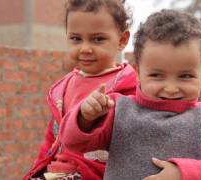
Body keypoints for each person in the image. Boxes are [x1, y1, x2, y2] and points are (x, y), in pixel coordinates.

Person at [60, 9, 201, 180]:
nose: (171, 88)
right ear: (138, 71)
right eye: (157, 75)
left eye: (185, 76)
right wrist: (85, 117)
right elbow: (73, 144)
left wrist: (184, 173)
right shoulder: (118, 109)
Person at [23, 0, 137, 179]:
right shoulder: (63, 89)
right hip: (55, 172)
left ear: (122, 40)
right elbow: (51, 142)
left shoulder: (130, 89)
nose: (85, 49)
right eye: (76, 39)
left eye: (98, 39)